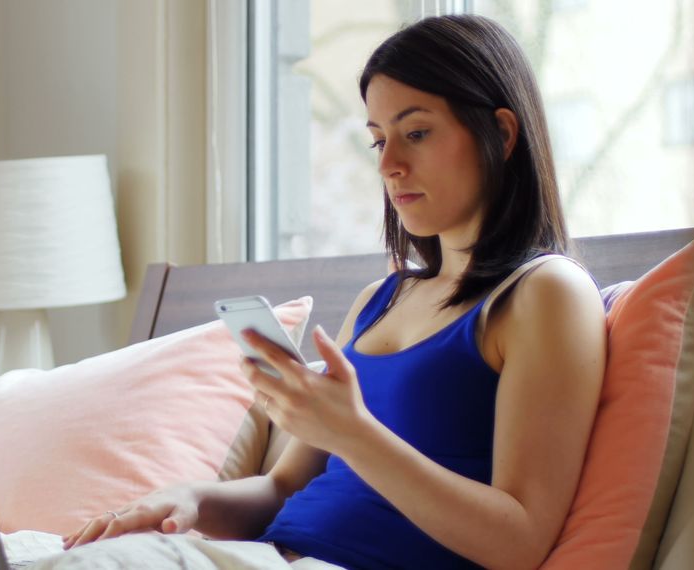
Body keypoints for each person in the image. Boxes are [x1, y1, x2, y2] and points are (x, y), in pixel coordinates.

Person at [63, 14, 605, 570]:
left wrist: (352, 432)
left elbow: (520, 541)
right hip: (265, 554)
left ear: (503, 133)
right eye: (377, 141)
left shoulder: (546, 292)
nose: (390, 165)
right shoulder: (382, 298)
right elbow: (280, 489)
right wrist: (191, 500)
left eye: (415, 133)